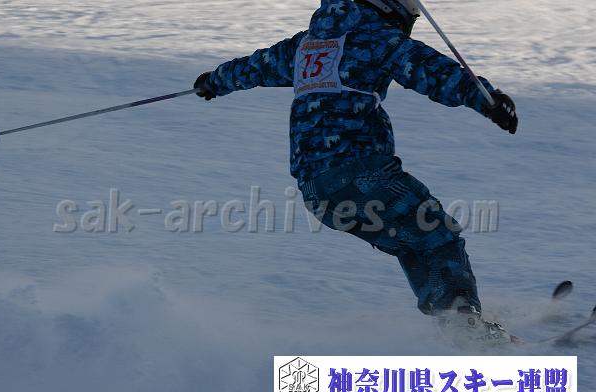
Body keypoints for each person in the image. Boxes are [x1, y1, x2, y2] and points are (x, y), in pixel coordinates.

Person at [193, 0, 519, 345]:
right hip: (362, 174)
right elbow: (432, 70)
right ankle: (463, 327)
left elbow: (256, 66)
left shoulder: (307, 45)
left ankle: (453, 319)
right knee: (436, 232)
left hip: (316, 191)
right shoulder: (377, 37)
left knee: (413, 240)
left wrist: (214, 81)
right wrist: (487, 99)